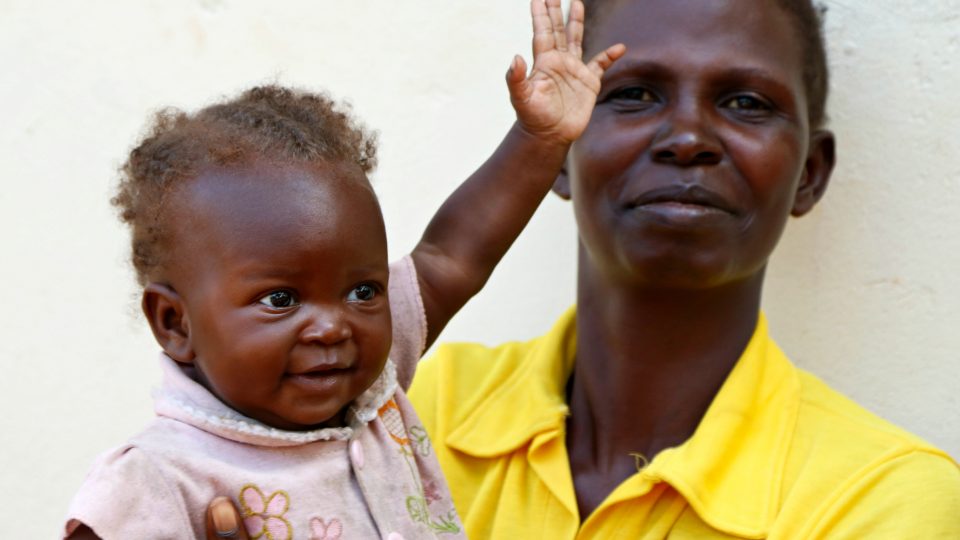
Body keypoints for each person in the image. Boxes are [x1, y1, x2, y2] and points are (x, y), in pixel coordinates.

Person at [204, 0, 959, 538]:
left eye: (744, 102)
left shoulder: (886, 498)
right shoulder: (414, 407)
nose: (688, 137)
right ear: (556, 152)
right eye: (631, 94)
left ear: (809, 174)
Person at [62, 1, 624, 538]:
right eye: (281, 300)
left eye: (362, 290)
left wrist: (541, 137)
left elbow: (452, 256)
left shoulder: (371, 389)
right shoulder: (154, 481)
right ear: (174, 323)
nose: (333, 326)